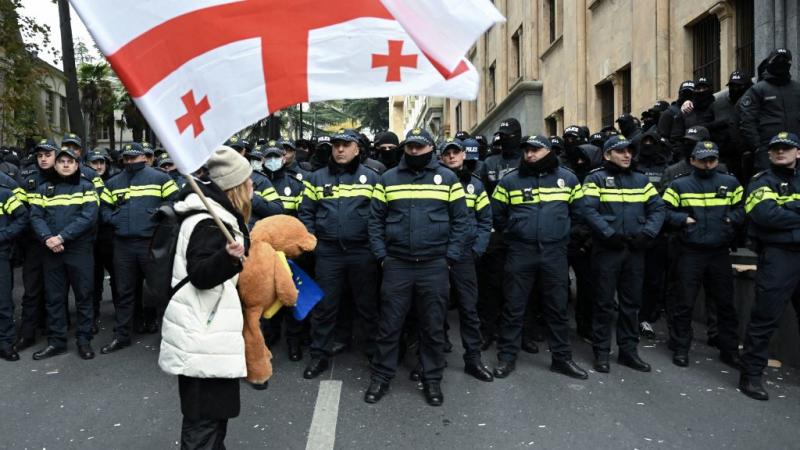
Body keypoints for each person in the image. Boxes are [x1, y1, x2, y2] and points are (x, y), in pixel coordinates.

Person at [365, 128, 469, 406]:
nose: (413, 151)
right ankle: (381, 377)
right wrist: (382, 256)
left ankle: (432, 379)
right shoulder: (388, 179)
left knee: (432, 327)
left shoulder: (447, 178)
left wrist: (450, 257)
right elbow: (375, 221)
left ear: (430, 148)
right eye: (410, 146)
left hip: (434, 265)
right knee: (389, 325)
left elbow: (461, 222)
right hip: (397, 264)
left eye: (419, 147)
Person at [159, 146, 251, 449]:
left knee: (212, 420)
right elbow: (200, 275)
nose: (253, 188)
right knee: (203, 426)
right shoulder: (209, 222)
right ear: (235, 187)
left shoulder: (218, 217)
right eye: (248, 182)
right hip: (203, 338)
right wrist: (227, 257)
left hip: (206, 336)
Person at [490, 135, 588, 380]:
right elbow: (497, 215)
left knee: (557, 308)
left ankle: (561, 358)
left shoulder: (568, 179)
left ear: (548, 151)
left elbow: (580, 214)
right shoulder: (510, 181)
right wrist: (514, 232)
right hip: (521, 252)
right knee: (513, 306)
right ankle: (507, 357)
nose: (529, 155)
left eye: (535, 150)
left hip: (554, 252)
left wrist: (564, 236)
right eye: (526, 150)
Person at [298, 129, 380, 379]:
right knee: (325, 307)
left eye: (346, 145)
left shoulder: (373, 178)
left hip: (362, 252)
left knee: (367, 306)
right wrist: (314, 244)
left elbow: (380, 215)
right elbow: (306, 214)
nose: (340, 150)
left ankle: (375, 354)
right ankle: (319, 355)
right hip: (329, 253)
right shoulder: (316, 178)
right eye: (336, 145)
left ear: (357, 149)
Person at [582, 135, 665, 374]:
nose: (627, 155)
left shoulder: (641, 180)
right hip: (607, 250)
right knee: (604, 303)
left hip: (634, 251)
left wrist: (647, 234)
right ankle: (601, 353)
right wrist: (608, 234)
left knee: (631, 304)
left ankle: (628, 351)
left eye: (629, 151)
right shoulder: (595, 178)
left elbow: (658, 208)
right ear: (608, 155)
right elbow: (587, 210)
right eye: (621, 151)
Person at [662, 141, 743, 368]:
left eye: (712, 160)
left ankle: (729, 350)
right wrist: (683, 220)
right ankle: (680, 348)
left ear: (717, 160)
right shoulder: (679, 185)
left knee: (725, 304)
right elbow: (663, 210)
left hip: (719, 251)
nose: (707, 164)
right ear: (692, 160)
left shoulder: (731, 182)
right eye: (703, 159)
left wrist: (730, 220)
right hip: (690, 251)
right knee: (684, 302)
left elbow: (742, 208)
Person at [100, 143, 179, 353]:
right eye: (127, 158)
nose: (131, 161)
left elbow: (175, 202)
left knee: (159, 291)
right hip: (123, 245)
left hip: (150, 243)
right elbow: (104, 209)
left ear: (144, 157)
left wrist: (158, 214)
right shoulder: (114, 182)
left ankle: (169, 338)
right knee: (124, 292)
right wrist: (114, 219)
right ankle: (122, 336)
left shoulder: (160, 177)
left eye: (134, 158)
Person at [739, 132, 800, 401]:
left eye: (786, 148)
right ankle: (751, 376)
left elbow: (778, 213)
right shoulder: (760, 181)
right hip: (778, 255)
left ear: (798, 152)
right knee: (765, 317)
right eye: (775, 148)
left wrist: (789, 210)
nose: (780, 152)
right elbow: (765, 215)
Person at [29, 145, 99, 360]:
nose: (66, 165)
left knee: (84, 296)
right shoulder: (44, 188)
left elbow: (88, 218)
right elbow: (35, 216)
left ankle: (84, 340)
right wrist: (47, 238)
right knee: (54, 299)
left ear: (77, 165)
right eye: (62, 161)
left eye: (70, 162)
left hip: (78, 250)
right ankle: (56, 341)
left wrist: (61, 237)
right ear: (56, 165)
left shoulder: (87, 187)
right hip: (52, 251)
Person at [439, 137, 494, 382]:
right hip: (437, 253)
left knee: (468, 308)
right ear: (441, 157)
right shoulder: (434, 182)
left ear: (464, 156)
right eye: (447, 153)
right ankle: (433, 357)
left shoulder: (475, 185)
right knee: (433, 308)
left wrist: (477, 249)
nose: (452, 157)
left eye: (456, 153)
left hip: (464, 255)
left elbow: (485, 220)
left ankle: (473, 359)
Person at [260, 140, 307, 360]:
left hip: (289, 253)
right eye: (267, 157)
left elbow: (302, 218)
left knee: (291, 298)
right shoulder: (256, 184)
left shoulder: (296, 184)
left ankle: (294, 342)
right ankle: (269, 338)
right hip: (264, 253)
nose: (272, 161)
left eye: (276, 156)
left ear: (284, 158)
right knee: (267, 298)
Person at [14, 139, 58, 352]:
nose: (43, 158)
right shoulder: (27, 179)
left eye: (48, 155)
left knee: (55, 291)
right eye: (40, 155)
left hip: (57, 243)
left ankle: (54, 333)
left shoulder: (66, 177)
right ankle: (27, 334)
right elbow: (21, 211)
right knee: (31, 291)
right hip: (34, 244)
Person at [88, 149, 119, 333]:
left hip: (110, 238)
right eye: (94, 162)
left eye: (102, 162)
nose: (99, 166)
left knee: (117, 278)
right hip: (91, 240)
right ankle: (92, 315)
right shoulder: (85, 182)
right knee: (93, 280)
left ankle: (121, 313)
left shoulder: (114, 182)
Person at [0, 177, 29, 361]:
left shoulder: (4, 193)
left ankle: (5, 343)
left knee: (3, 302)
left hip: (0, 254)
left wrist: (4, 236)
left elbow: (23, 217)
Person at [247, 144, 283, 229]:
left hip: (258, 232)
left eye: (276, 157)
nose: (273, 161)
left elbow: (277, 210)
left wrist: (252, 197)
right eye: (253, 159)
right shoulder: (215, 181)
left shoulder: (260, 180)